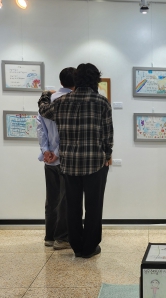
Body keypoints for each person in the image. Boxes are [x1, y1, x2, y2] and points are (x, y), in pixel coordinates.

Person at [38, 63, 113, 259]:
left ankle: (77, 246)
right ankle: (90, 247)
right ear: (95, 80)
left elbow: (44, 110)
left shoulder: (62, 101)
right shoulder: (102, 102)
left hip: (69, 164)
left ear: (76, 79)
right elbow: (107, 134)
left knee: (72, 207)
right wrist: (107, 155)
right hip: (95, 163)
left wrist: (45, 94)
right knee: (94, 207)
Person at [36, 67, 73, 250]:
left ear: (60, 81)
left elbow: (40, 128)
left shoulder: (47, 102)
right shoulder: (72, 101)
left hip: (49, 159)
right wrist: (57, 152)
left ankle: (49, 237)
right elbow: (67, 131)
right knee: (66, 200)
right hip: (66, 159)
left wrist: (46, 151)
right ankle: (62, 238)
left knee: (51, 199)